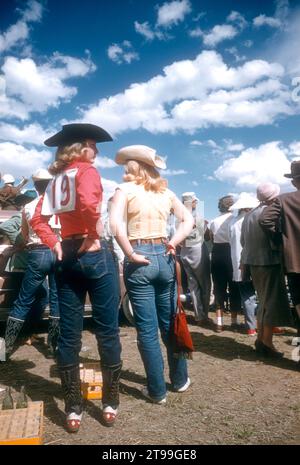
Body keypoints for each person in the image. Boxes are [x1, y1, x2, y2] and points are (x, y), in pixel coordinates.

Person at [30, 123, 122, 432]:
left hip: (67, 252)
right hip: (93, 250)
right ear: (83, 147)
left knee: (70, 334)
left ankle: (73, 407)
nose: (96, 152)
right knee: (107, 330)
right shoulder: (85, 170)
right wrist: (93, 235)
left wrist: (55, 243)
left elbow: (37, 218)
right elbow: (87, 202)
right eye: (94, 146)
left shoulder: (56, 178)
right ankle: (110, 401)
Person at [110, 145, 193, 404]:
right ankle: (179, 380)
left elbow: (114, 225)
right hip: (164, 255)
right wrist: (173, 242)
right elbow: (187, 220)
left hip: (140, 255)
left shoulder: (124, 190)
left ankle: (157, 391)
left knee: (147, 329)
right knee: (170, 322)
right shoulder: (165, 192)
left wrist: (129, 253)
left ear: (132, 168)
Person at [4, 170, 60, 358]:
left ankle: (6, 349)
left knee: (23, 300)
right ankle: (53, 348)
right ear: (51, 184)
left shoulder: (28, 207)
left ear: (35, 186)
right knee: (56, 300)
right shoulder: (60, 205)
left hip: (37, 253)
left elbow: (25, 236)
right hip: (58, 252)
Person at [241, 183, 292, 358]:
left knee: (263, 301)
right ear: (274, 196)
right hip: (270, 261)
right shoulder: (272, 213)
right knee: (271, 303)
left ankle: (261, 340)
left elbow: (243, 241)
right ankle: (267, 343)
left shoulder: (248, 215)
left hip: (253, 263)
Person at [259, 161, 300, 346]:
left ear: (293, 182)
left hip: (295, 262)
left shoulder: (284, 200)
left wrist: (281, 239)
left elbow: (265, 219)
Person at [227, 193, 259, 335]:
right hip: (255, 260)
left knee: (247, 295)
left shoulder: (232, 223)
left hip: (238, 262)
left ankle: (251, 326)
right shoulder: (253, 219)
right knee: (262, 294)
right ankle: (268, 323)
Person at [209, 195, 241, 332]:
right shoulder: (234, 220)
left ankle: (219, 323)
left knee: (219, 288)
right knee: (234, 286)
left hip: (217, 253)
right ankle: (234, 321)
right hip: (231, 251)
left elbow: (210, 238)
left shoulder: (213, 221)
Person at [180, 192, 212, 326]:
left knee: (193, 285)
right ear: (192, 202)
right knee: (205, 285)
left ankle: (198, 316)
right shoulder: (197, 217)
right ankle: (204, 315)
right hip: (198, 252)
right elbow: (207, 237)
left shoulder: (178, 217)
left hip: (184, 252)